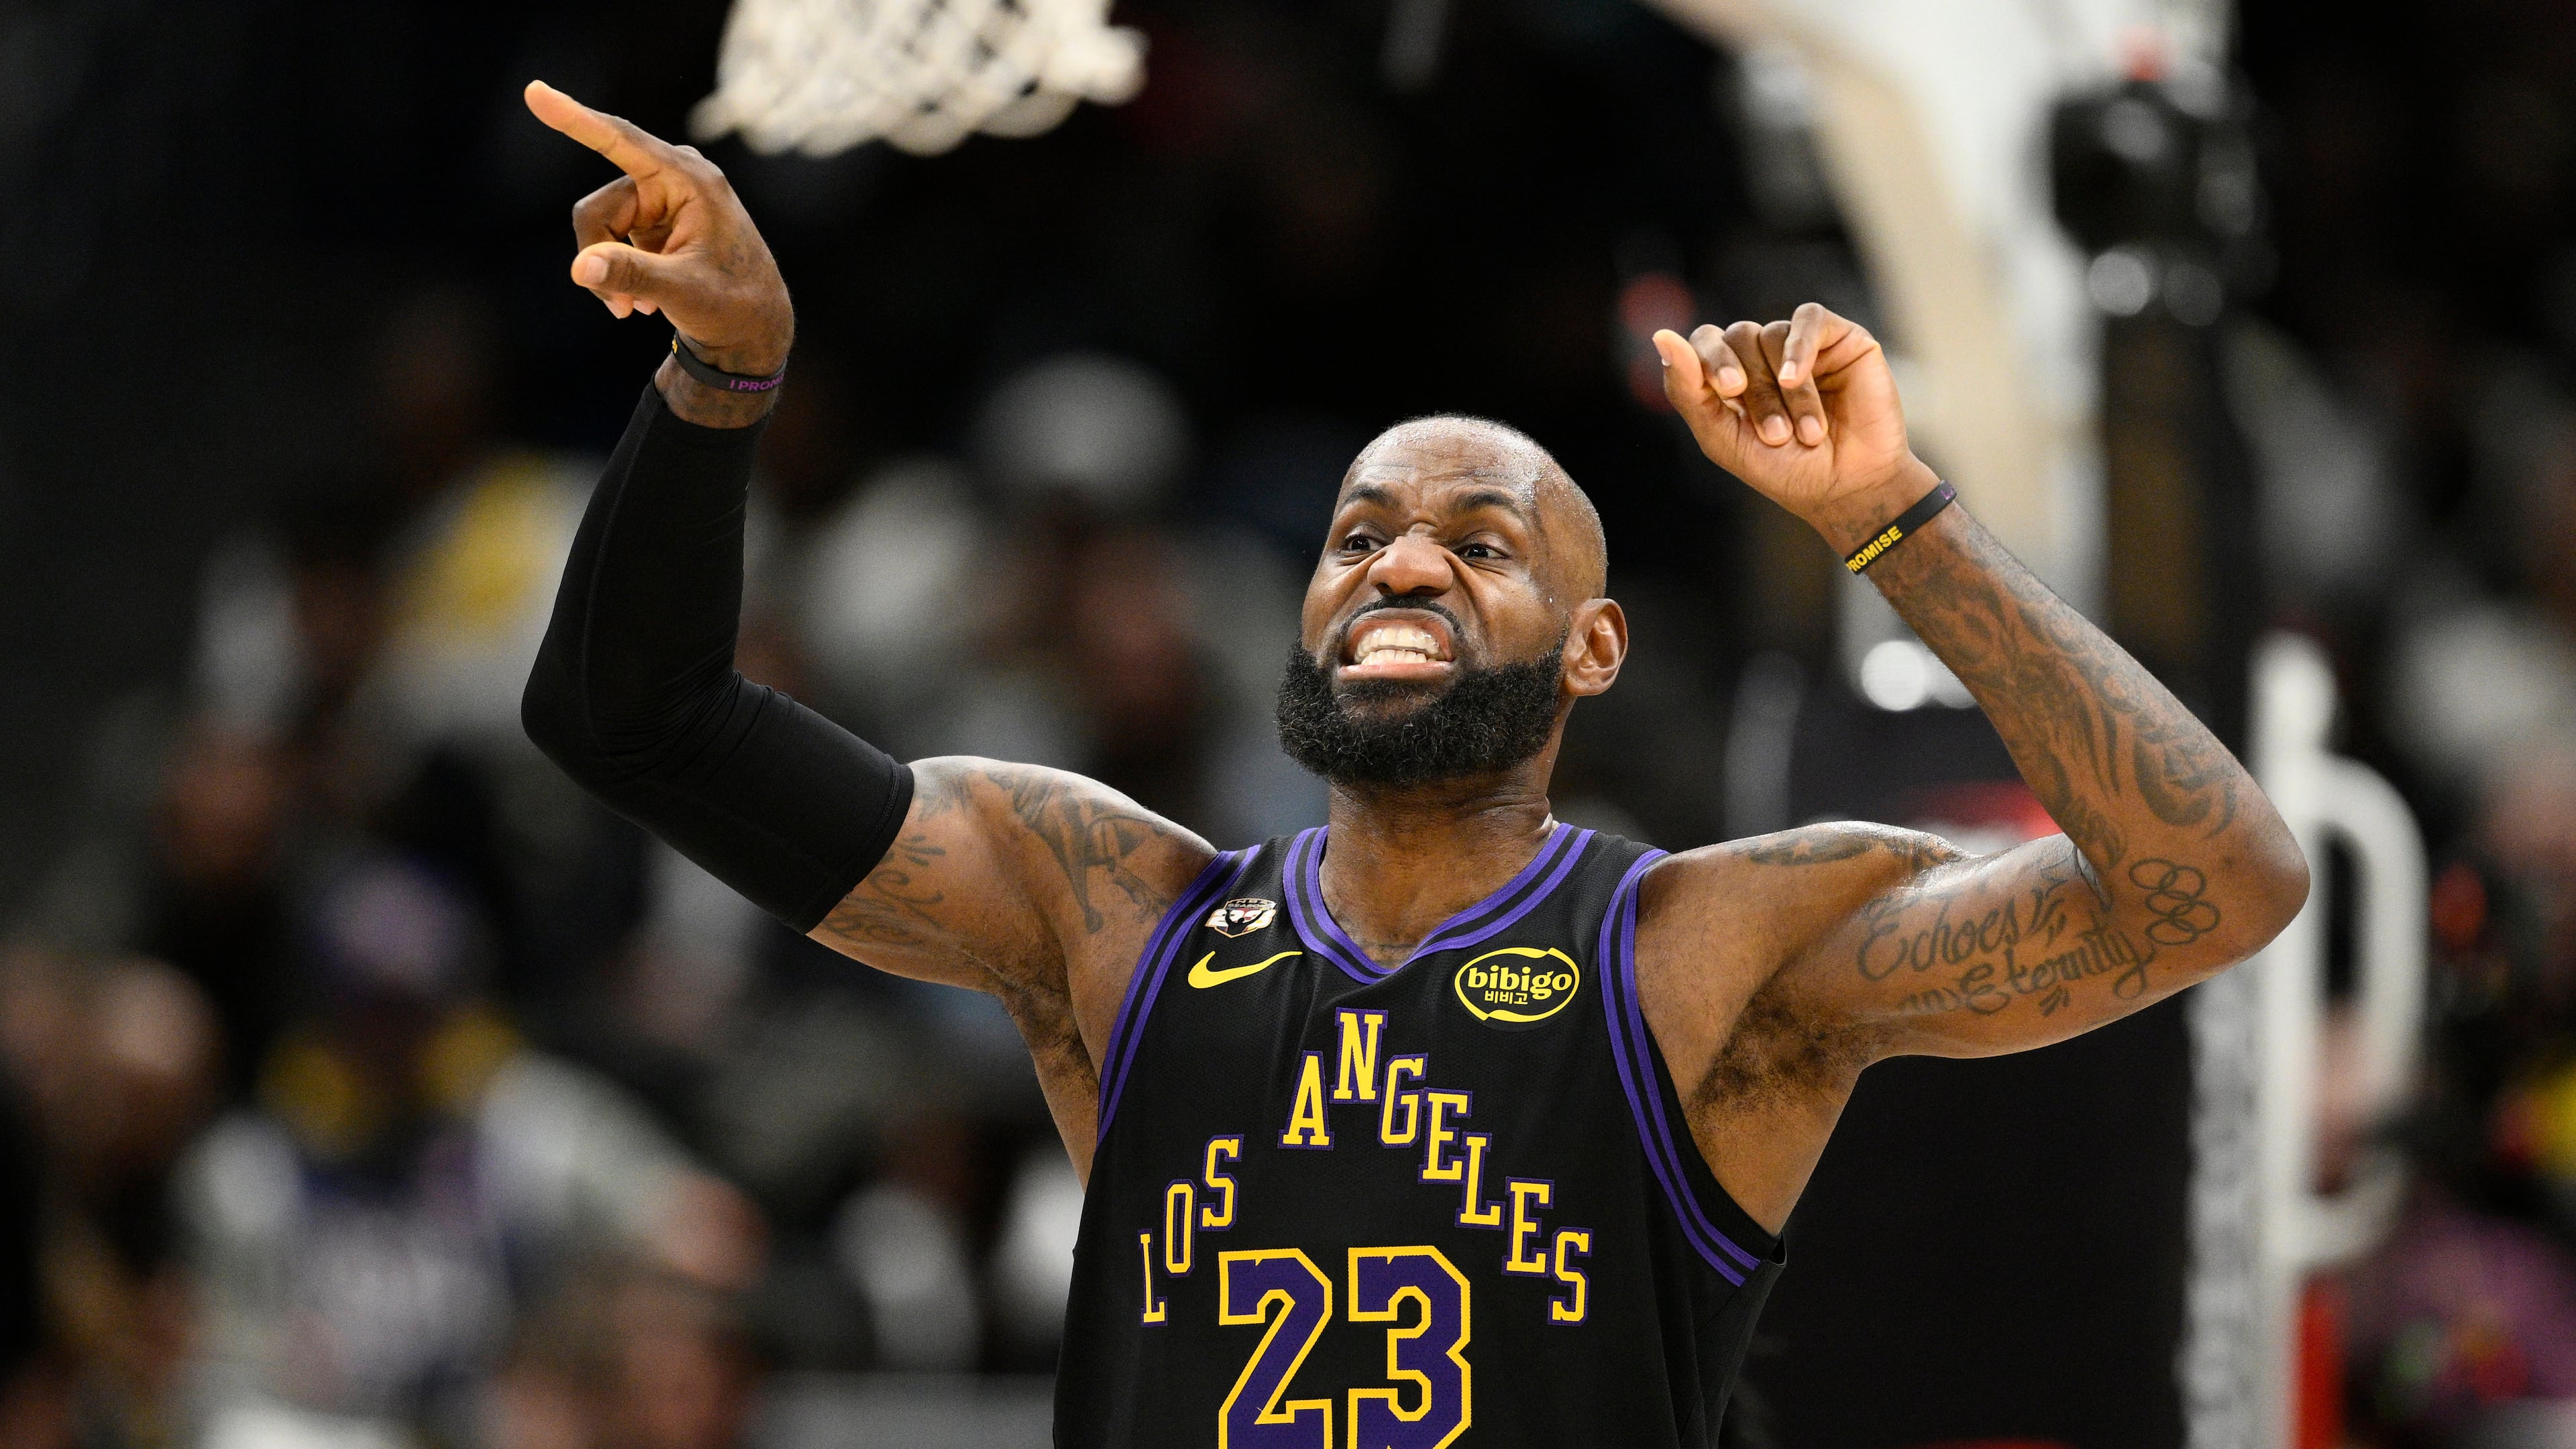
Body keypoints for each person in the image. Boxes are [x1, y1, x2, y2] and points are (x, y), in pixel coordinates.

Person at [515, 80, 2310, 1446]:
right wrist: (724, 382)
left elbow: (2217, 885)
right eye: (1359, 530)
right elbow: (632, 715)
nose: (1404, 560)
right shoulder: (1114, 914)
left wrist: (1900, 528)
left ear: (1594, 650)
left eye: (1486, 539)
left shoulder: (1708, 953)